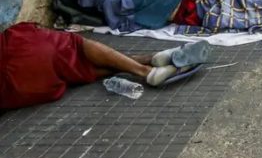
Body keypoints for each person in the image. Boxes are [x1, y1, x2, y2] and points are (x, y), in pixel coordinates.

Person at [0, 23, 208, 109]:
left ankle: (150, 59)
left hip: (19, 90)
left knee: (76, 68)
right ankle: (145, 70)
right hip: (19, 56)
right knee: (74, 45)